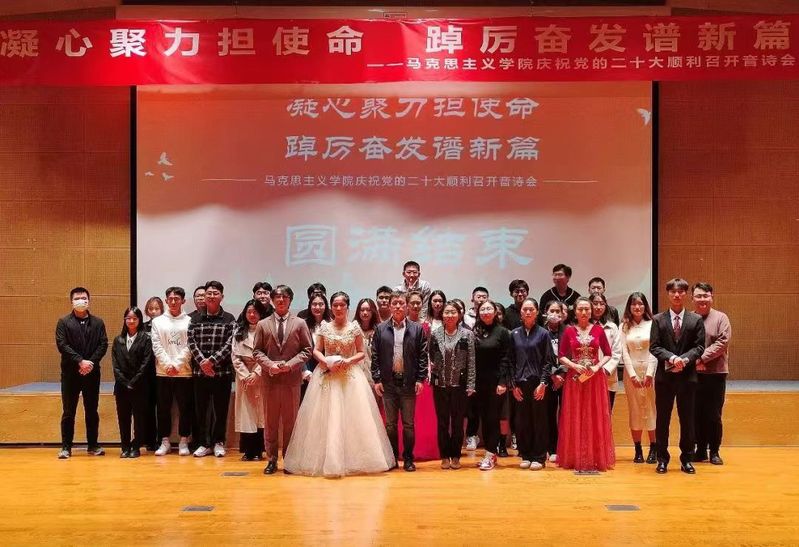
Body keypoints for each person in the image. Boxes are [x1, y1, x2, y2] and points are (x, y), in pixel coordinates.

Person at [284, 292, 395, 477]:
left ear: (347, 307)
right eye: (335, 305)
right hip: (327, 375)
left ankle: (353, 460)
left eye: (342, 305)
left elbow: (361, 352)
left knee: (354, 420)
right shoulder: (325, 327)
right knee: (325, 419)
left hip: (350, 376)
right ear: (331, 307)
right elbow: (316, 350)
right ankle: (326, 461)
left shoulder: (354, 328)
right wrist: (326, 362)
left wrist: (348, 361)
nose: (338, 308)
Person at [253, 285, 314, 475]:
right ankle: (271, 459)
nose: (281, 300)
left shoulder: (300, 323)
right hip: (270, 380)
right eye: (277, 297)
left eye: (285, 297)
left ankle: (289, 459)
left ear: (290, 300)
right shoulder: (263, 324)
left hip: (291, 380)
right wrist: (269, 365)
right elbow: (257, 351)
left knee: (290, 422)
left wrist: (291, 365)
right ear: (272, 300)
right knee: (270, 422)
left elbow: (307, 350)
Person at [650, 278, 705, 475]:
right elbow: (654, 347)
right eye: (673, 291)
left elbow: (700, 347)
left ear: (686, 295)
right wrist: (672, 358)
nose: (677, 295)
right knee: (662, 420)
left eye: (681, 291)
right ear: (668, 294)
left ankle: (687, 459)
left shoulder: (695, 319)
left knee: (687, 420)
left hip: (687, 377)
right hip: (665, 378)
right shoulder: (658, 319)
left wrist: (685, 359)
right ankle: (662, 459)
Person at [371, 290, 428, 472]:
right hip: (388, 383)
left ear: (407, 306)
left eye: (401, 303)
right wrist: (377, 379)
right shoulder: (380, 329)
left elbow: (422, 357)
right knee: (390, 425)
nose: (397, 306)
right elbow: (375, 356)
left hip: (408, 383)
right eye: (394, 303)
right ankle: (393, 458)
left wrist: (420, 379)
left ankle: (409, 459)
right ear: (389, 306)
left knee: (409, 425)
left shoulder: (417, 329)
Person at [557, 296, 615, 472]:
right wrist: (574, 365)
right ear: (574, 312)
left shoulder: (598, 330)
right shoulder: (568, 331)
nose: (584, 312)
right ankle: (574, 457)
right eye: (580, 309)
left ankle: (595, 457)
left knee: (594, 414)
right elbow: (561, 355)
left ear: (591, 311)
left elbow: (608, 353)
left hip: (594, 378)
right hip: (575, 378)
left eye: (587, 309)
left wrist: (597, 366)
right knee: (575, 414)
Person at [55, 287, 108, 459]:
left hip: (92, 373)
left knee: (92, 410)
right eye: (77, 298)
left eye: (83, 298)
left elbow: (103, 344)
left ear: (88, 301)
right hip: (70, 374)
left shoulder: (98, 322)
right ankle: (66, 447)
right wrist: (80, 361)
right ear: (71, 301)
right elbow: (62, 345)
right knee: (68, 411)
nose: (81, 301)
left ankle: (93, 445)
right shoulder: (63, 322)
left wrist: (90, 363)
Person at [504, 298, 554, 470]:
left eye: (531, 309)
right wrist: (513, 385)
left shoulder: (543, 334)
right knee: (522, 421)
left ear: (537, 312)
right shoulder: (514, 334)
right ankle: (525, 454)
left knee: (539, 420)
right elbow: (510, 361)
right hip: (519, 384)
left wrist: (543, 383)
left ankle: (539, 457)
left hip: (538, 384)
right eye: (525, 309)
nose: (527, 312)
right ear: (521, 312)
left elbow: (548, 361)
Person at [187, 280, 236, 458]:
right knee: (201, 410)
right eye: (209, 293)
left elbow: (230, 343)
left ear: (222, 297)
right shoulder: (194, 319)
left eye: (215, 293)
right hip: (200, 373)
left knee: (220, 410)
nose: (211, 296)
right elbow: (191, 341)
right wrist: (203, 362)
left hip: (222, 373)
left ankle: (218, 442)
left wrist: (212, 361)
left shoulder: (229, 319)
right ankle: (203, 443)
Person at [429, 301, 475, 469]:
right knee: (442, 422)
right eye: (446, 312)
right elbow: (431, 356)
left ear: (459, 315)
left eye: (453, 312)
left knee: (457, 422)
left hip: (460, 385)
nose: (449, 315)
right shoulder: (435, 333)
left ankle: (455, 455)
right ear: (442, 315)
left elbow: (471, 361)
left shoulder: (467, 334)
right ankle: (444, 456)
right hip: (440, 384)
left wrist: (471, 384)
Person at [691, 282, 731, 466]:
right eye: (698, 296)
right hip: (693, 374)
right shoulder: (689, 318)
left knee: (713, 414)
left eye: (705, 296)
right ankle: (700, 450)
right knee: (696, 413)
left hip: (716, 373)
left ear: (712, 297)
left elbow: (722, 342)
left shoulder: (721, 318)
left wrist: (700, 359)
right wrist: (694, 362)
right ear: (692, 298)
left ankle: (714, 451)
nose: (702, 299)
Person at [150, 286, 193, 457]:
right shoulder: (157, 322)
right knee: (163, 408)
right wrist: (168, 364)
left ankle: (184, 441)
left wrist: (177, 364)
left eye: (177, 299)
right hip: (163, 372)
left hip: (184, 372)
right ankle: (165, 441)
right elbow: (156, 345)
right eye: (170, 299)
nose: (173, 301)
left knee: (185, 408)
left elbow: (190, 346)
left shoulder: (190, 321)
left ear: (183, 301)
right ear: (166, 300)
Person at [472, 300, 511, 470]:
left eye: (489, 309)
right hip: (479, 382)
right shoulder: (475, 331)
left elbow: (506, 358)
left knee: (493, 418)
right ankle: (489, 454)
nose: (486, 312)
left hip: (497, 383)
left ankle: (490, 454)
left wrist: (503, 381)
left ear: (495, 312)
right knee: (484, 418)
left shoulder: (502, 332)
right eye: (483, 309)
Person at [619, 292, 657, 464]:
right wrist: (632, 375)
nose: (637, 307)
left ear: (645, 306)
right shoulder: (624, 326)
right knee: (634, 410)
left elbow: (655, 349)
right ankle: (638, 449)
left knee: (651, 409)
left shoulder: (653, 324)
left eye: (640, 304)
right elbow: (624, 352)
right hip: (631, 375)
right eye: (634, 304)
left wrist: (649, 373)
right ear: (629, 306)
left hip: (650, 374)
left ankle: (654, 448)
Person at [112, 306, 153, 458]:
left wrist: (134, 381)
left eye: (134, 318)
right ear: (124, 320)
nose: (131, 321)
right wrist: (125, 382)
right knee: (123, 418)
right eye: (128, 318)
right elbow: (115, 365)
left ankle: (136, 447)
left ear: (139, 320)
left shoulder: (146, 338)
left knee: (139, 418)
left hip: (140, 386)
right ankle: (125, 447)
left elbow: (146, 363)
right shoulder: (118, 340)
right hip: (122, 387)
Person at [232, 300, 268, 461]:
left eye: (255, 312)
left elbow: (268, 354)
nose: (252, 315)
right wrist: (246, 375)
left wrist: (256, 373)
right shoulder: (239, 331)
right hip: (244, 377)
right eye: (249, 312)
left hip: (261, 375)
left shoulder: (267, 329)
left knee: (261, 414)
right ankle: (248, 451)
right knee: (246, 414)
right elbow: (235, 356)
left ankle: (259, 450)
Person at [464, 286, 489, 450]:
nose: (481, 299)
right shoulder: (465, 317)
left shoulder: (490, 317)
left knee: (486, 405)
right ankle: (471, 435)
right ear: (472, 298)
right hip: (469, 366)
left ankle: (490, 440)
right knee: (471, 404)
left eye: (484, 296)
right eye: (478, 296)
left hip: (486, 365)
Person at [589, 292, 622, 412]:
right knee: (590, 412)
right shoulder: (584, 326)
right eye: (595, 303)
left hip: (607, 375)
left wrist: (605, 370)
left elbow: (617, 352)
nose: (598, 307)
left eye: (601, 304)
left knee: (606, 412)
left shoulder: (612, 327)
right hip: (588, 375)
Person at [543, 301, 567, 463]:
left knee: (565, 414)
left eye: (558, 311)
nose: (555, 314)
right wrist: (553, 374)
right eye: (552, 311)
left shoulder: (569, 331)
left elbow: (572, 354)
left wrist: (562, 374)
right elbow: (540, 356)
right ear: (545, 312)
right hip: (549, 378)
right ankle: (551, 448)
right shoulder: (541, 332)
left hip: (566, 379)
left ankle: (564, 447)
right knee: (549, 414)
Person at [141, 296, 163, 451]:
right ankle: (149, 439)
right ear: (147, 311)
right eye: (151, 309)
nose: (154, 311)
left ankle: (162, 439)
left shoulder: (165, 326)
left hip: (162, 371)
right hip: (146, 373)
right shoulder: (142, 327)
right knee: (148, 407)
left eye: (157, 308)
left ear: (162, 310)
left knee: (162, 407)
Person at [301, 293, 332, 400]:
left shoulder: (332, 324)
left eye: (321, 304)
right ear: (310, 306)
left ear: (326, 306)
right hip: (307, 372)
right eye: (314, 304)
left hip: (329, 370)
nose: (317, 307)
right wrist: (305, 371)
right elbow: (298, 350)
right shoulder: (302, 324)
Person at [354, 298, 379, 379]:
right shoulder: (352, 329)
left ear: (373, 311)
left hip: (373, 373)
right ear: (358, 312)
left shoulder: (379, 330)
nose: (365, 313)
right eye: (362, 310)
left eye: (368, 310)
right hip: (356, 373)